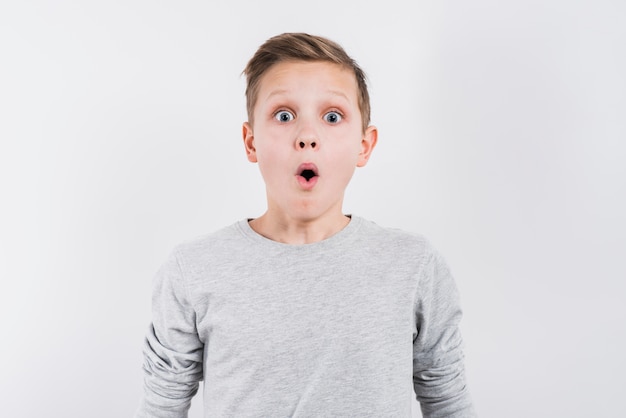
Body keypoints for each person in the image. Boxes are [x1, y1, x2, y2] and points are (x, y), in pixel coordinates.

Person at [136, 32, 476, 418]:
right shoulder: (192, 270)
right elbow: (161, 407)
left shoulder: (414, 266)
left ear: (364, 145)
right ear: (251, 142)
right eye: (284, 115)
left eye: (332, 117)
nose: (307, 137)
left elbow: (449, 403)